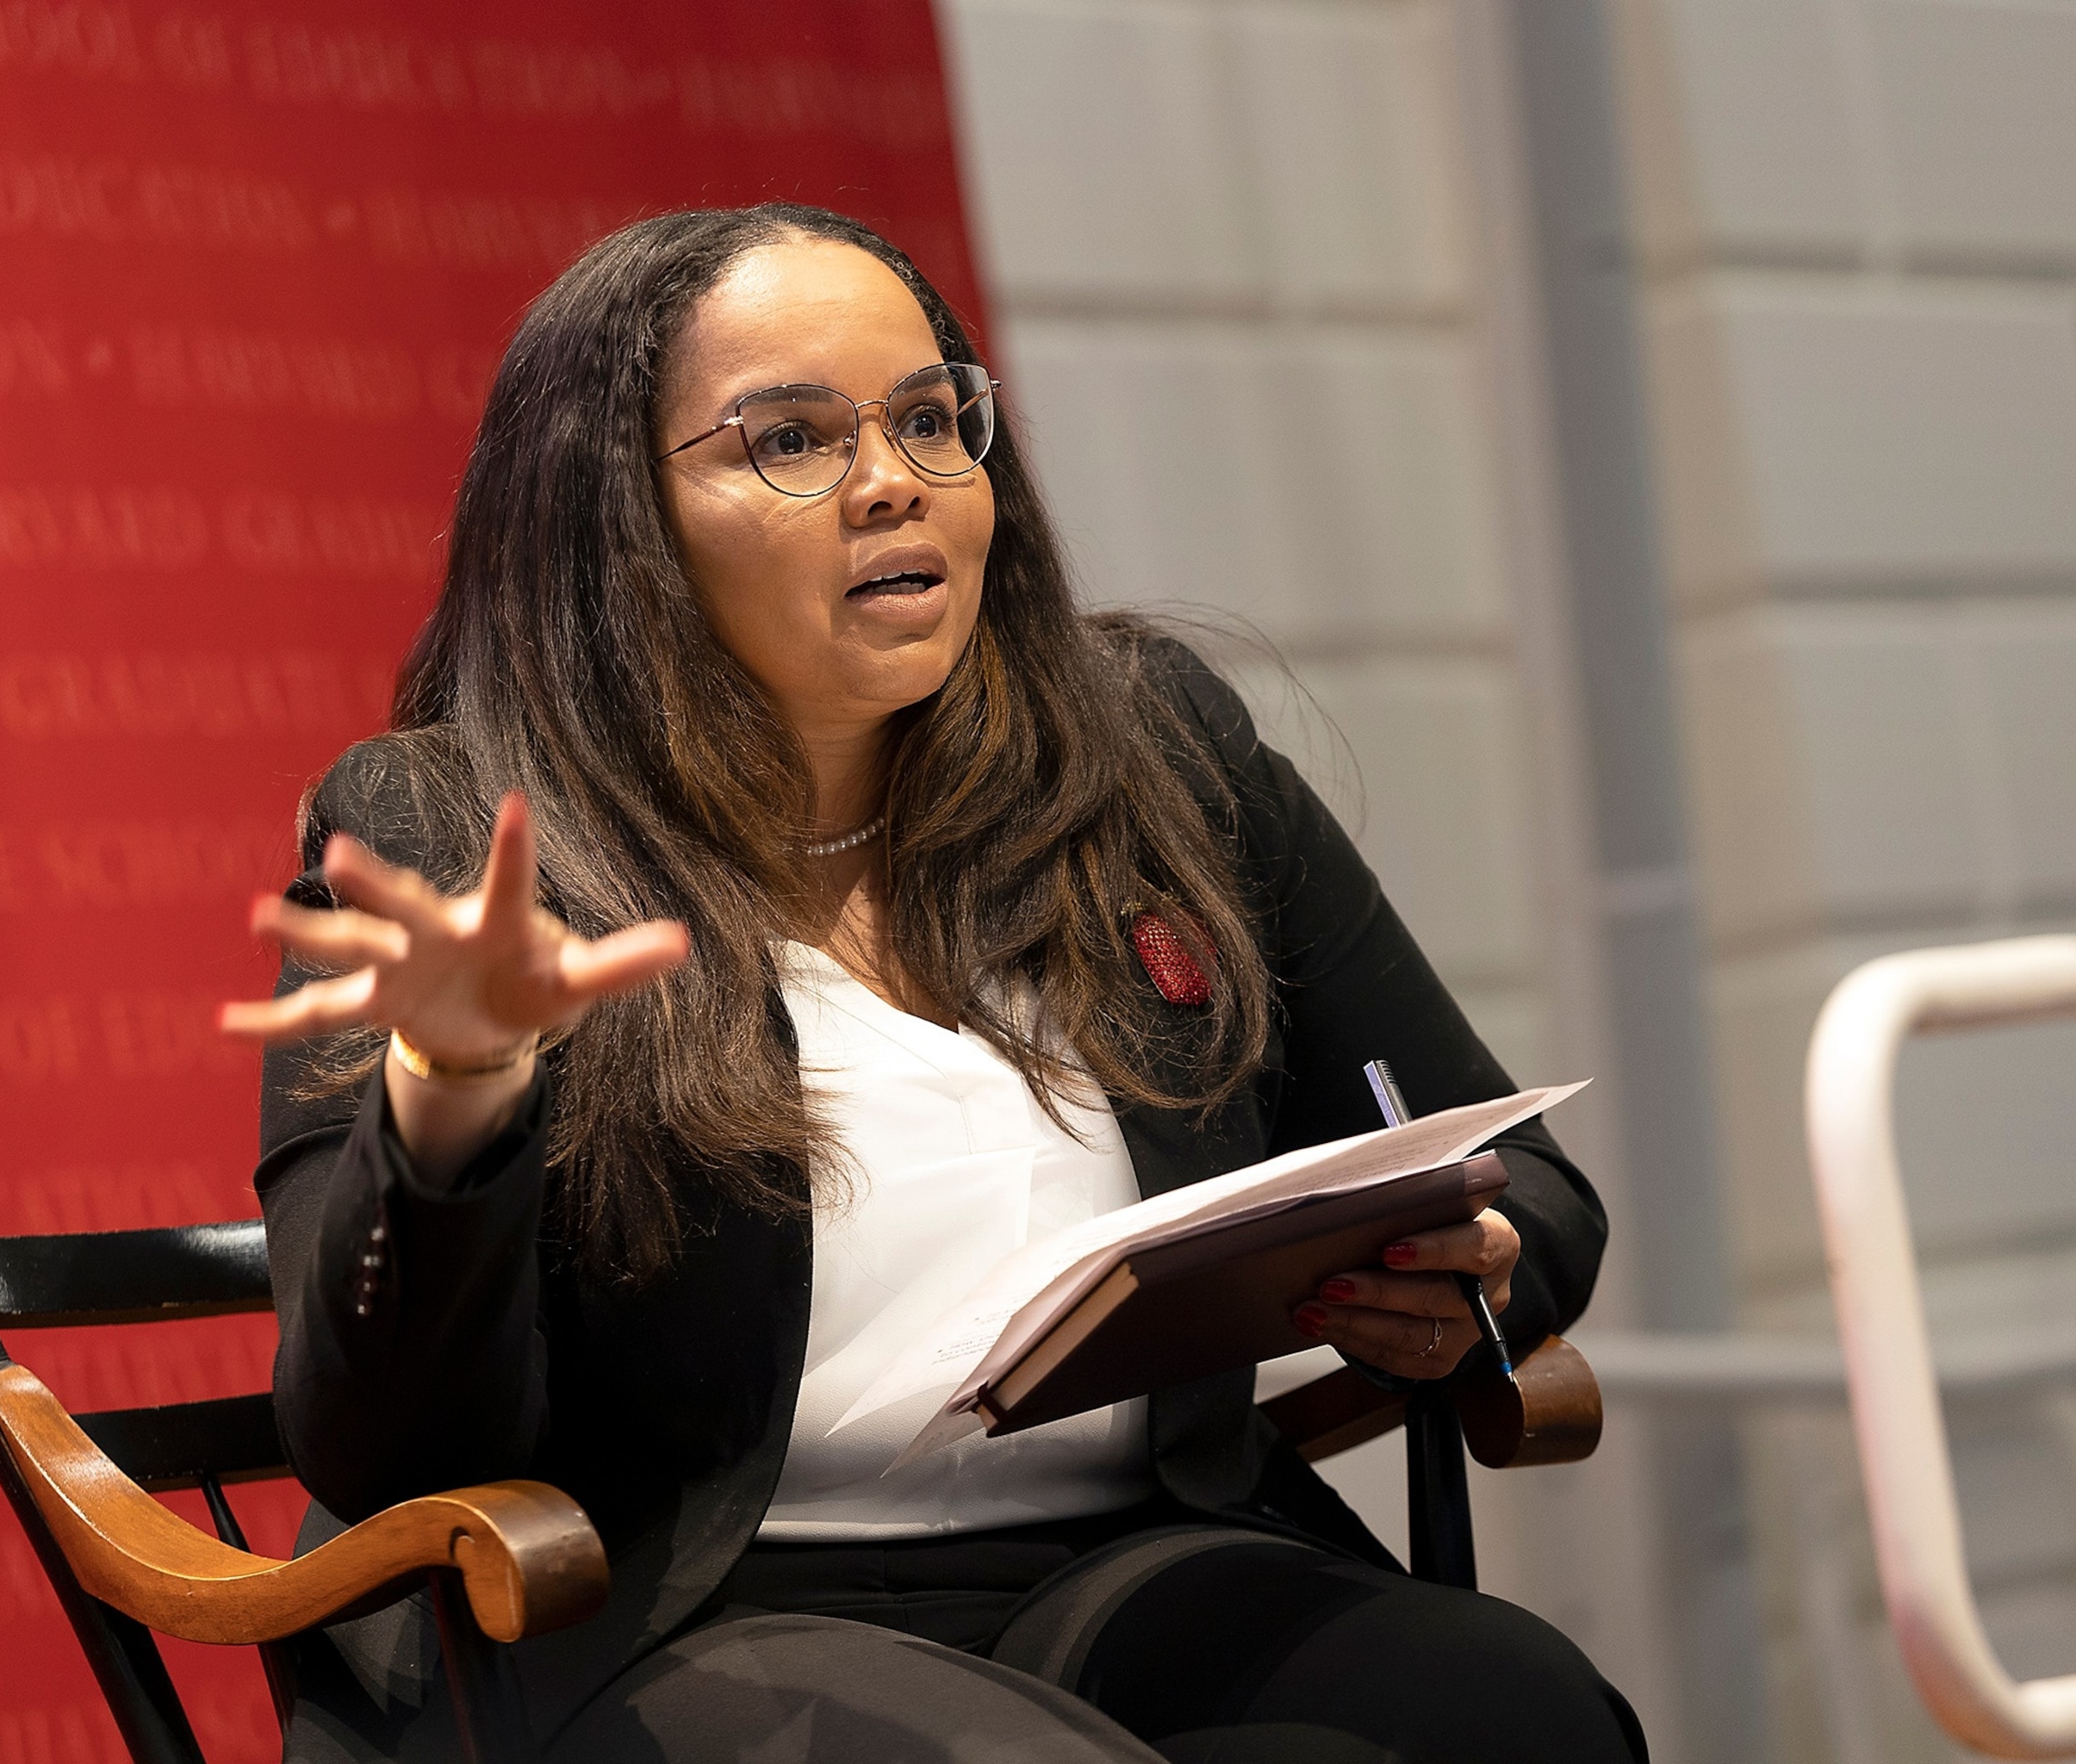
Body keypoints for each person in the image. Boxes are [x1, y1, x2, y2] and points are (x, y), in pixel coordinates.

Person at [221, 202, 1642, 1763]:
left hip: (1120, 1561)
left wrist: (1470, 1272)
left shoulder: (1147, 755)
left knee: (1516, 1717)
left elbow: (1525, 1184)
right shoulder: (452, 834)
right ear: (615, 520)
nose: (892, 479)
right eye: (790, 441)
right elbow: (385, 1442)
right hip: (672, 1615)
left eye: (926, 418)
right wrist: (457, 1094)